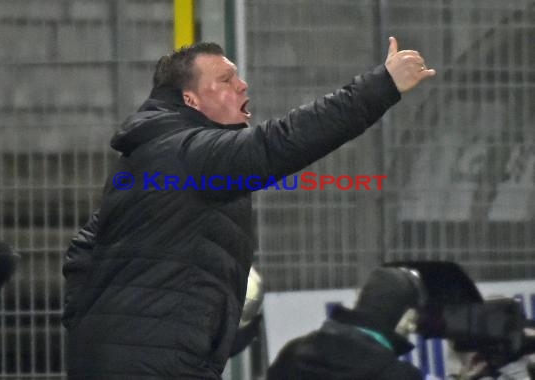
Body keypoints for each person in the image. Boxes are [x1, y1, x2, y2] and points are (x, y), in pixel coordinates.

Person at [62, 38, 436, 379]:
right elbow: (283, 141)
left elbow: (83, 249)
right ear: (190, 100)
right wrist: (382, 85)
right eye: (226, 80)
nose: (242, 85)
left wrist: (96, 326)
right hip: (153, 363)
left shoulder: (154, 152)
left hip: (137, 357)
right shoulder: (190, 152)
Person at [266, 267, 425, 380]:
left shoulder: (293, 354)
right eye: (412, 317)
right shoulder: (398, 374)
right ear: (400, 314)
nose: (412, 327)